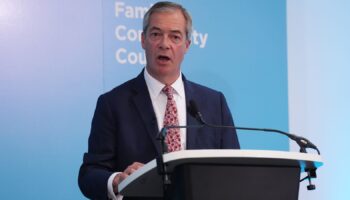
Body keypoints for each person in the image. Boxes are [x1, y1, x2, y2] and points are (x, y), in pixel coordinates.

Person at [78, 1, 240, 199]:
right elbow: (89, 174)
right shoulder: (113, 104)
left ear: (187, 45)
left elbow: (234, 169)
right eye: (156, 34)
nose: (165, 44)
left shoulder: (214, 103)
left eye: (175, 36)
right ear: (143, 40)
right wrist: (118, 180)